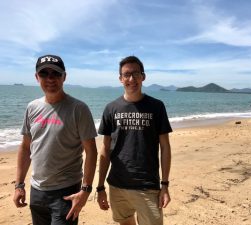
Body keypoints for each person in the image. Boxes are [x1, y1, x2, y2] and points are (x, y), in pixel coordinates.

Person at [13, 54, 98, 225]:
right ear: (37, 77)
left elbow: (91, 151)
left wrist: (85, 190)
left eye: (56, 74)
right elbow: (25, 147)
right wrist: (19, 185)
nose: (50, 78)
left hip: (66, 192)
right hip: (36, 191)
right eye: (44, 74)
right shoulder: (32, 107)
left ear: (64, 77)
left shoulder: (78, 109)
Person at [97, 56, 172, 225]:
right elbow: (105, 149)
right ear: (120, 79)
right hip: (117, 185)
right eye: (127, 75)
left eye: (136, 74)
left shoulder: (156, 106)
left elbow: (165, 147)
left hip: (147, 185)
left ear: (143, 77)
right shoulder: (111, 108)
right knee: (125, 222)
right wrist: (100, 186)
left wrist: (165, 185)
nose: (131, 79)